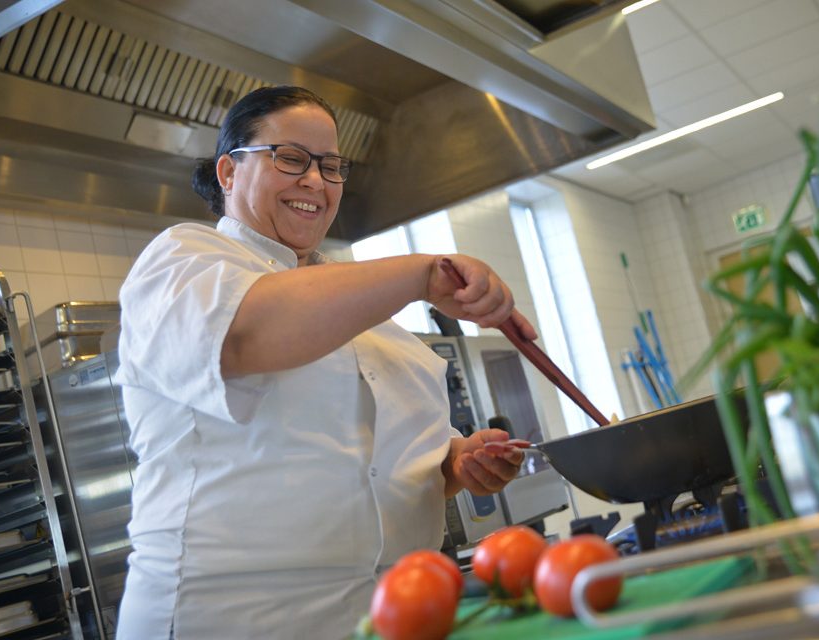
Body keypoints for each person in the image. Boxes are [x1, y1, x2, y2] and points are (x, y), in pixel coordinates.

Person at [113, 85, 534, 639]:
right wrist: (422, 273)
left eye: (331, 166)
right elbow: (246, 336)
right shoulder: (183, 261)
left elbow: (366, 461)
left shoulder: (360, 306)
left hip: (385, 616)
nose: (315, 180)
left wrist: (453, 464)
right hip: (228, 617)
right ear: (229, 172)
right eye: (290, 158)